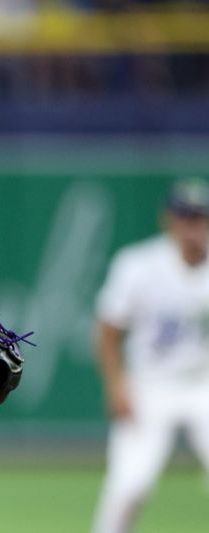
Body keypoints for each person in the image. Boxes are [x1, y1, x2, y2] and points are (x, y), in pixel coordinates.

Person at [92, 178, 209, 533]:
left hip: (204, 384)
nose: (193, 226)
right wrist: (117, 386)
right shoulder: (139, 264)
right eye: (185, 217)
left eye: (200, 217)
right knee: (130, 485)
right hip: (150, 384)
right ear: (169, 220)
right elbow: (109, 330)